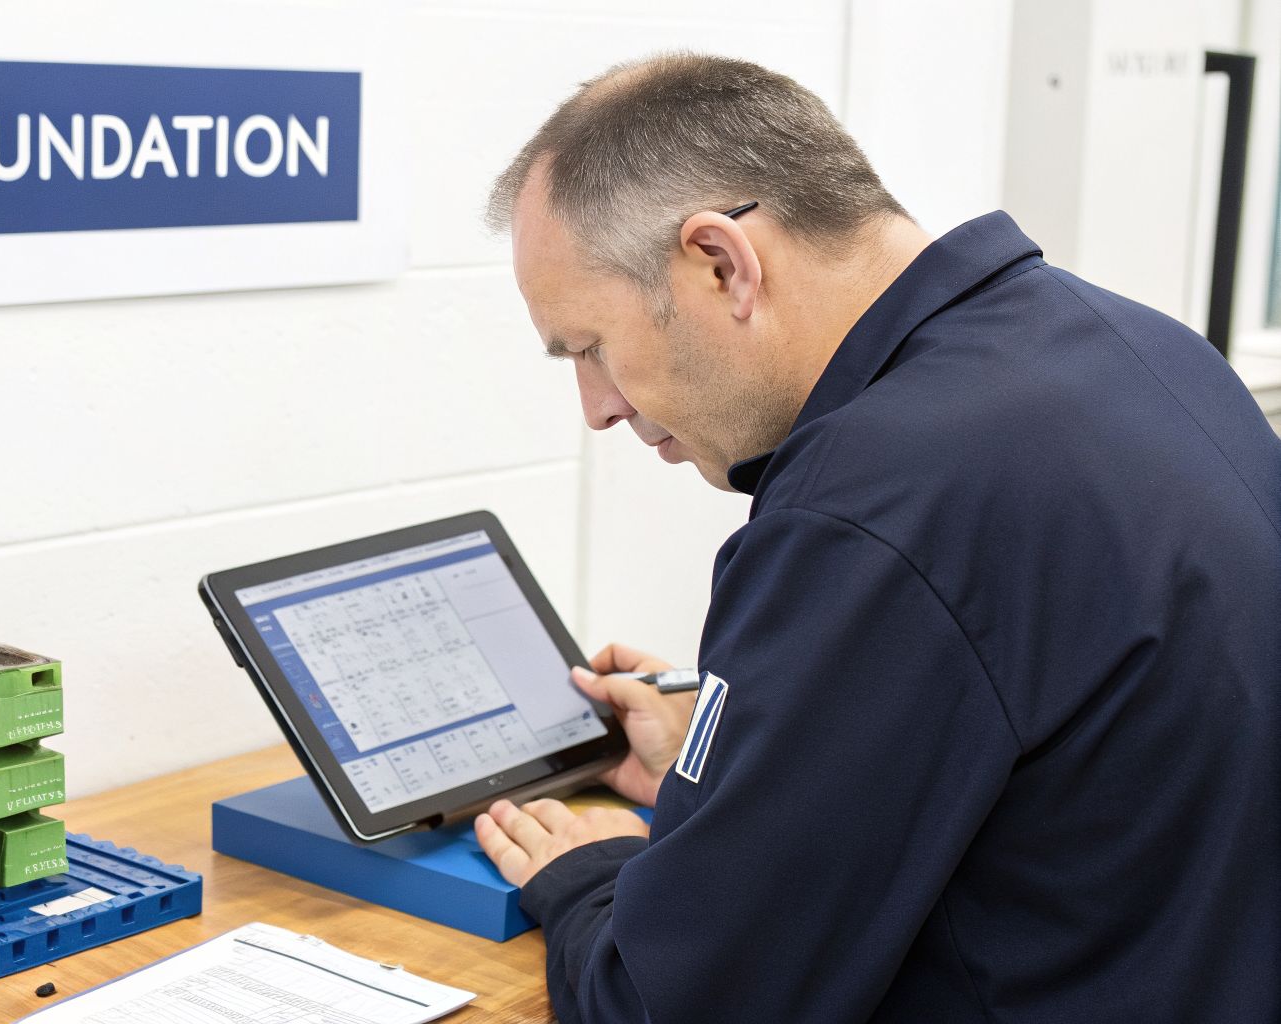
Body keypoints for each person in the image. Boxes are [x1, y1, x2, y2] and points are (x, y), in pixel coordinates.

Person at [471, 52, 1281, 1022]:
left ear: (720, 263)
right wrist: (740, 762)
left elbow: (675, 1003)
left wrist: (584, 873)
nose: (596, 408)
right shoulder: (1130, 345)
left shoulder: (873, 506)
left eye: (589, 348)